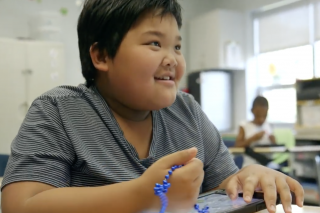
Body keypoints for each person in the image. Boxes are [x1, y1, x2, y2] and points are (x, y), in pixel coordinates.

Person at [1, 1, 303, 213]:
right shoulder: (58, 110)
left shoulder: (187, 111)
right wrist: (143, 194)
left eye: (177, 46)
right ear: (102, 56)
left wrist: (250, 175)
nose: (172, 58)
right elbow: (20, 205)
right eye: (155, 44)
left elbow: (224, 186)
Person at [235, 96, 278, 168]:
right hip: (250, 166)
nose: (261, 119)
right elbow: (237, 146)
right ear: (252, 111)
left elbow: (274, 149)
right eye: (258, 115)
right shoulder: (244, 126)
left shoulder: (269, 125)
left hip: (268, 166)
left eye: (264, 116)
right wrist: (252, 139)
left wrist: (274, 142)